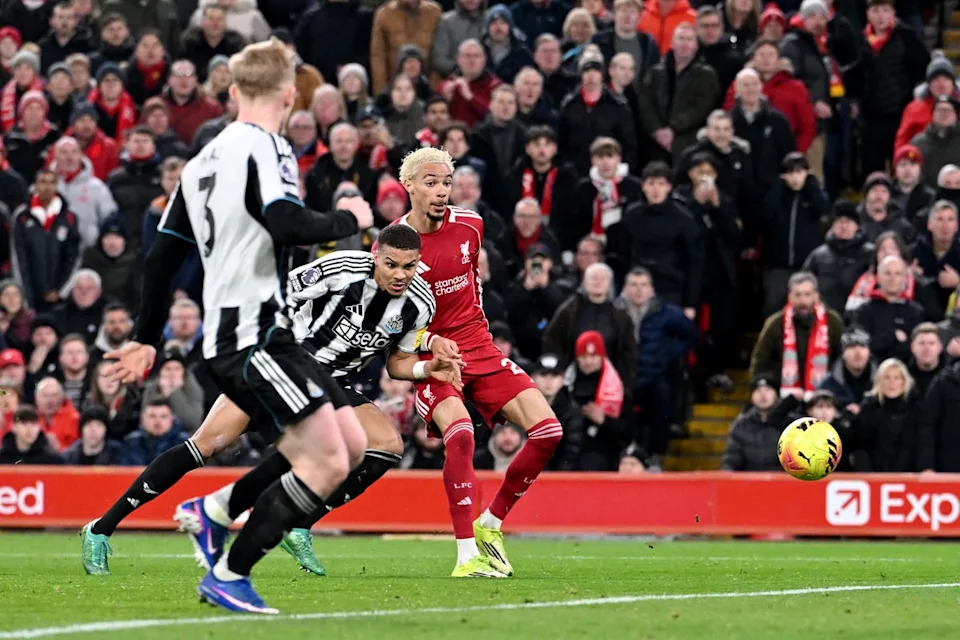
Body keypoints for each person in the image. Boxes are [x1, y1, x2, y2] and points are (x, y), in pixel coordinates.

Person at [81, 39, 374, 612]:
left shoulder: (200, 162)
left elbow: (161, 255)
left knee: (356, 443)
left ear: (235, 92)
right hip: (252, 334)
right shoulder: (263, 146)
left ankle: (212, 512)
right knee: (330, 460)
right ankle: (230, 573)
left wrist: (145, 336)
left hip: (261, 333)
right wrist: (349, 219)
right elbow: (285, 221)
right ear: (290, 96)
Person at [380, 146, 565, 577]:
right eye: (431, 183)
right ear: (408, 186)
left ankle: (491, 523)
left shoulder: (472, 225)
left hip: (479, 346)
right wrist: (431, 338)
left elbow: (471, 287)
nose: (442, 191)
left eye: (446, 182)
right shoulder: (394, 243)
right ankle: (466, 554)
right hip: (428, 353)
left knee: (548, 432)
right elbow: (390, 321)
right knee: (460, 434)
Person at [615, 161, 703, 316]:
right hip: (636, 289)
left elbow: (694, 263)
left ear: (669, 187)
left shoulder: (684, 219)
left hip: (671, 290)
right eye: (651, 183)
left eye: (661, 184)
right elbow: (623, 254)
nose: (656, 189)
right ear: (643, 186)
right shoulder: (632, 214)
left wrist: (690, 303)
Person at [750, 271, 844, 400]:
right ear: (790, 296)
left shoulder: (832, 321)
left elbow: (841, 358)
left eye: (807, 294)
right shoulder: (775, 323)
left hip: (825, 397)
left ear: (816, 296)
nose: (803, 300)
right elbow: (760, 361)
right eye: (798, 295)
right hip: (782, 396)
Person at [758, 152, 830, 317]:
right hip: (778, 265)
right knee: (774, 307)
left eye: (799, 172)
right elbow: (764, 217)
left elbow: (823, 209)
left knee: (807, 310)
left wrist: (811, 185)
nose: (795, 177)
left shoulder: (812, 194)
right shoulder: (776, 195)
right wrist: (779, 188)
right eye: (790, 172)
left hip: (806, 265)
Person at [636, 22, 719, 163]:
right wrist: (657, 130)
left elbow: (702, 108)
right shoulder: (655, 72)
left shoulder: (706, 75)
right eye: (681, 39)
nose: (685, 43)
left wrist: (672, 129)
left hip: (689, 144)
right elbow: (645, 104)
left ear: (696, 45)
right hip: (654, 145)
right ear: (672, 43)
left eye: (689, 39)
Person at [11, 167, 81, 311]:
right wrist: (25, 295)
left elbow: (73, 257)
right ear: (35, 185)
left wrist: (61, 291)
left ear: (56, 186)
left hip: (60, 299)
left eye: (51, 182)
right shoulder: (22, 217)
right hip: (31, 297)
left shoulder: (69, 218)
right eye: (42, 182)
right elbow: (18, 258)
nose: (47, 187)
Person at [558, 54, 637, 174]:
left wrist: (623, 171)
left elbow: (629, 145)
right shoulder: (569, 105)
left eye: (596, 71)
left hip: (609, 173)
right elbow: (561, 142)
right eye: (587, 71)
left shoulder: (618, 106)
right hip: (575, 171)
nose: (591, 76)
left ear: (602, 75)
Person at [802, 200, 874, 314]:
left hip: (860, 314)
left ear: (857, 226)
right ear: (832, 226)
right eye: (839, 221)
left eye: (848, 221)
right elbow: (804, 282)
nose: (843, 226)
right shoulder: (818, 255)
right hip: (824, 314)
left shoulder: (870, 253)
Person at [852, 255, 925, 364]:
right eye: (887, 273)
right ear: (878, 277)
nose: (892, 278)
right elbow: (864, 346)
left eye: (897, 274)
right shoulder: (864, 311)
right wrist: (893, 337)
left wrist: (882, 343)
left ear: (905, 278)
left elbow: (917, 349)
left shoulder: (916, 311)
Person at [850, 358, 918, 472]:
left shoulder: (913, 408)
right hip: (871, 476)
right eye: (887, 378)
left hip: (905, 475)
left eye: (896, 378)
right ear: (879, 381)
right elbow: (859, 447)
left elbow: (911, 447)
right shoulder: (868, 408)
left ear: (904, 381)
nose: (892, 383)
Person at [370, 0, 442, 94]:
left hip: (425, 86)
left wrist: (433, 91)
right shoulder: (385, 14)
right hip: (395, 87)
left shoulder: (434, 12)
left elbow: (439, 53)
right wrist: (381, 93)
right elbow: (378, 57)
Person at [721, 374, 786, 471]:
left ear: (777, 394)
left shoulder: (790, 424)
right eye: (758, 391)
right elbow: (731, 459)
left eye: (768, 390)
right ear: (751, 397)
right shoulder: (741, 425)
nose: (762, 395)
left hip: (783, 482)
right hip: (749, 482)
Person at [907, 323, 944, 401]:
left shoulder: (952, 378)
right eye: (921, 343)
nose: (926, 348)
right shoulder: (903, 376)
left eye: (931, 343)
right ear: (912, 347)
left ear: (940, 347)